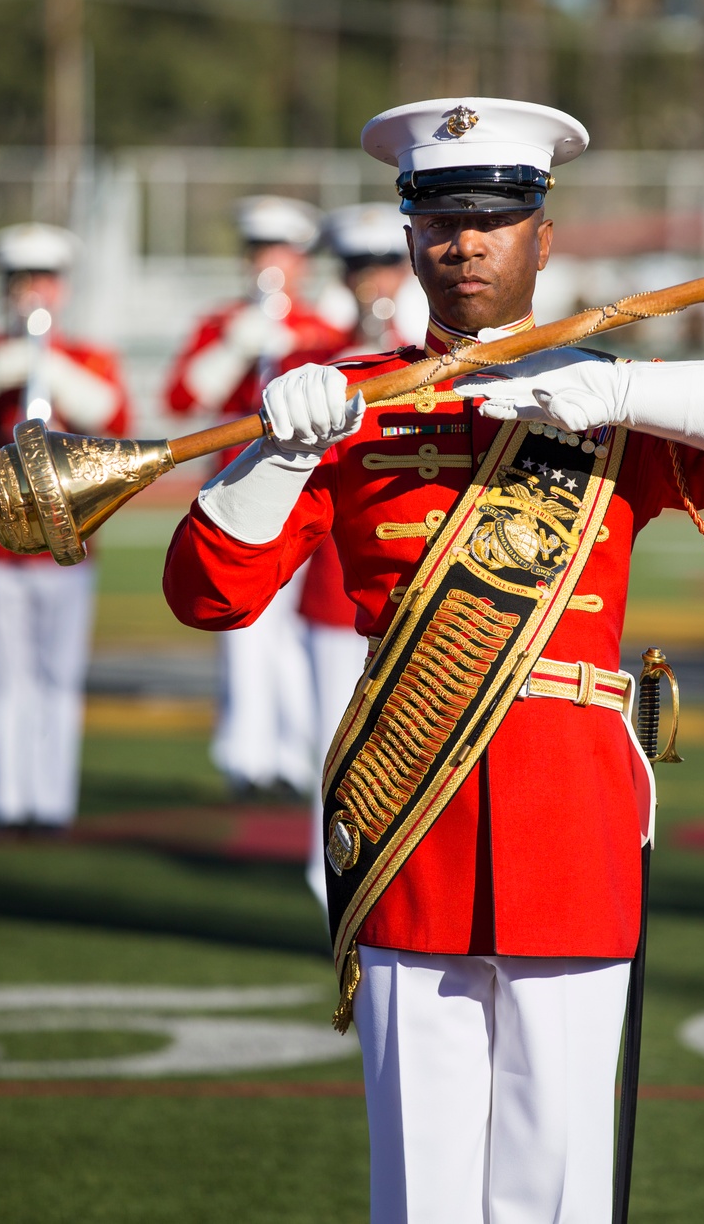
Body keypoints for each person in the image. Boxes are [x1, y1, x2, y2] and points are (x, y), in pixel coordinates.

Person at [163, 96, 704, 1223]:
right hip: (408, 824)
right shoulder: (348, 403)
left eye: (495, 218)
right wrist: (274, 456)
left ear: (543, 233)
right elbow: (207, 595)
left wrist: (634, 390)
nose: (465, 243)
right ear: (408, 236)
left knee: (560, 1186)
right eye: (440, 218)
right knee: (420, 1190)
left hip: (567, 827)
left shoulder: (610, 403)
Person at [165, 194, 351, 797]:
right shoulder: (224, 324)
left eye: (281, 253)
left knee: (304, 628)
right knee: (243, 627)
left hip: (309, 493)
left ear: (301, 262)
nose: (268, 264)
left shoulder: (324, 329)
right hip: (238, 490)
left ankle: (297, 754)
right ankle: (246, 755)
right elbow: (184, 398)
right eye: (258, 252)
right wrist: (236, 345)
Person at [297, 202, 427, 911]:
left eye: (384, 265)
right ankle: (332, 881)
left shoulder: (436, 355)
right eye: (358, 268)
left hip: (417, 591)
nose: (372, 280)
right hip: (332, 586)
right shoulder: (312, 358)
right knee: (334, 737)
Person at [0, 223, 129, 828]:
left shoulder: (87, 356)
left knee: (57, 677)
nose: (32, 294)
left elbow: (112, 416)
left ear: (61, 290)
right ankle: (10, 797)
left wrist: (50, 368)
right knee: (0, 676)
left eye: (42, 281)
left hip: (67, 545)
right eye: (20, 282)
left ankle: (52, 802)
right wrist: (0, 372)